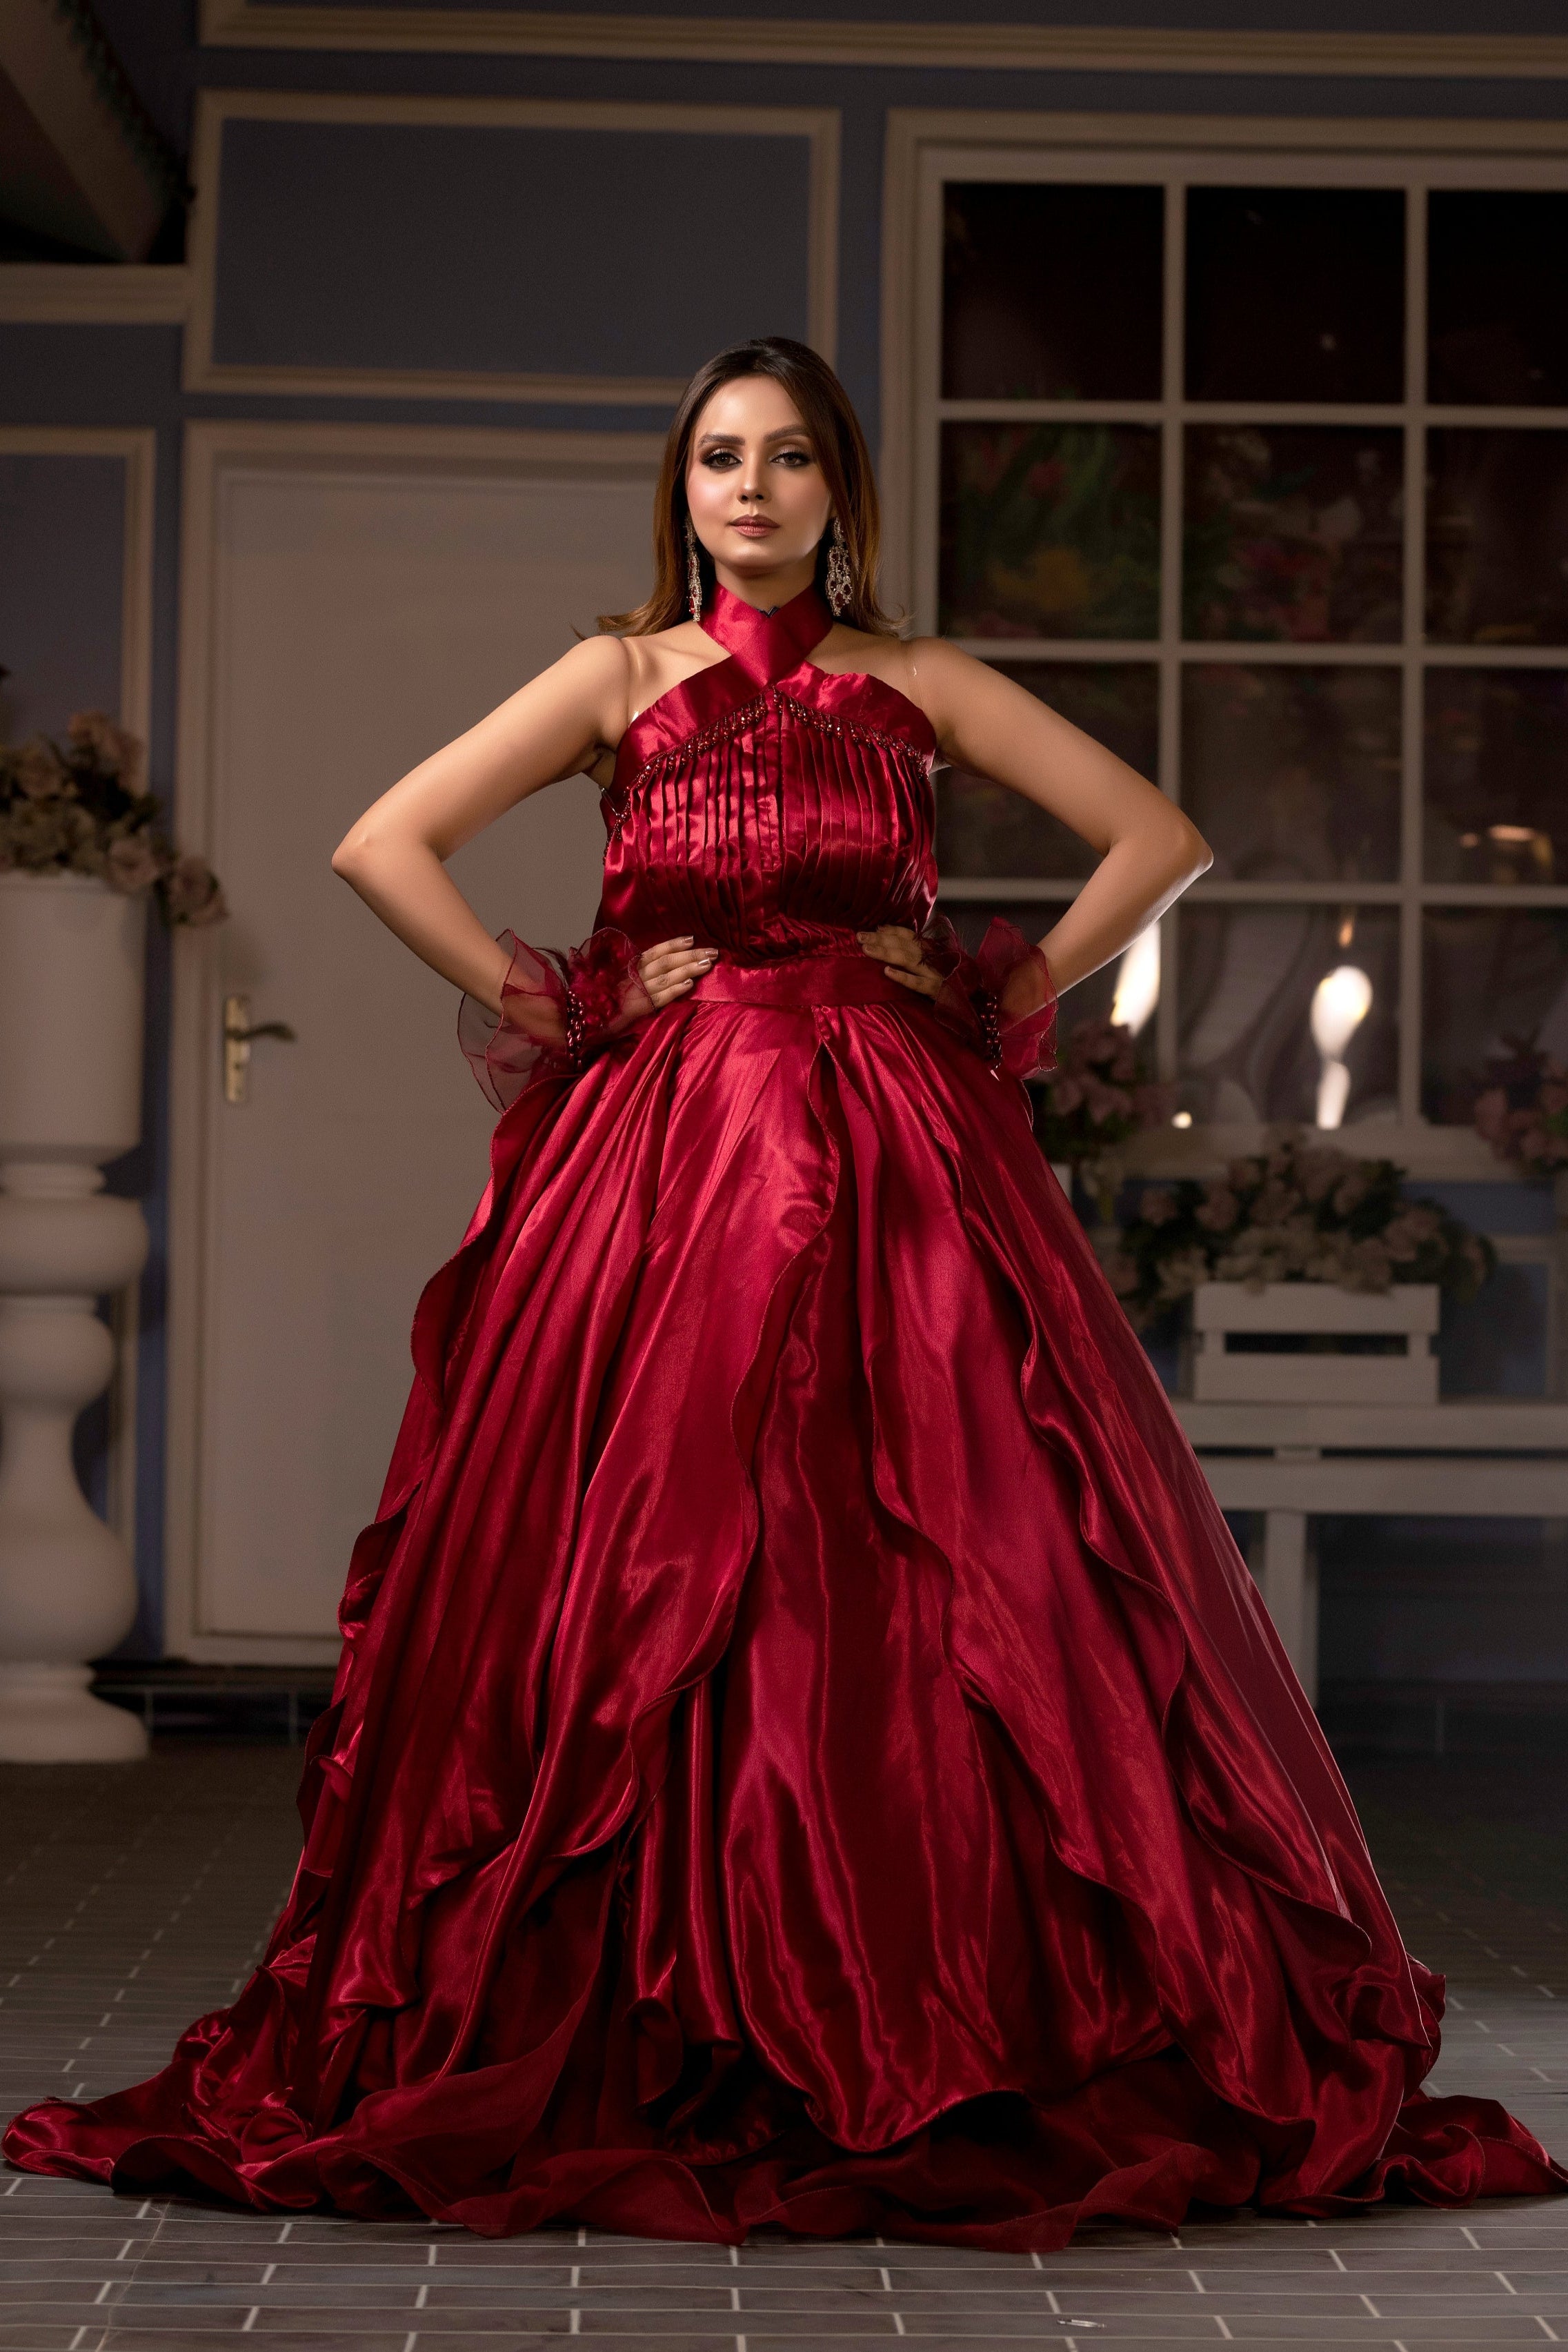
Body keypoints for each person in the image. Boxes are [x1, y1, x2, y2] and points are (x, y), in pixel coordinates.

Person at [6, 337, 1560, 2246]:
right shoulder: (615, 676)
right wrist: (563, 995)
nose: (749, 490)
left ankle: (946, 1997)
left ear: (841, 491)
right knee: (652, 1546)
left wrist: (1006, 985)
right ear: (681, 490)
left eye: (789, 458)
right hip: (664, 1165)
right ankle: (640, 1993)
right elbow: (377, 843)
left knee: (952, 1540)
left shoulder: (919, 684)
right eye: (718, 458)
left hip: (903, 1160)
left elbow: (1160, 839)